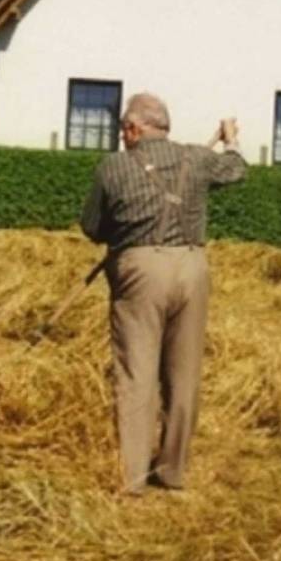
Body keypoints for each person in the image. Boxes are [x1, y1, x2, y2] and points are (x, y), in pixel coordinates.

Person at [80, 92, 246, 494]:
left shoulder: (114, 166)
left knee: (137, 372)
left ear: (135, 128)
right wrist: (231, 138)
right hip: (192, 267)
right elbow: (238, 170)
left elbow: (93, 227)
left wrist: (124, 232)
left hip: (140, 272)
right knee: (183, 374)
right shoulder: (196, 158)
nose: (122, 137)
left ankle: (133, 477)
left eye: (123, 129)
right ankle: (172, 472)